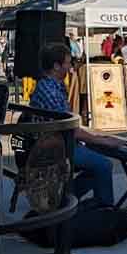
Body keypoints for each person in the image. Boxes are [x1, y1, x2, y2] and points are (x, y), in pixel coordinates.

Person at [29, 43, 115, 206]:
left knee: (97, 156)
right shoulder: (50, 91)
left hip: (59, 142)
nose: (71, 66)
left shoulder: (52, 85)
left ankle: (66, 199)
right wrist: (105, 140)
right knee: (104, 165)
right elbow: (71, 131)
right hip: (57, 148)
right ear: (56, 66)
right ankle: (103, 208)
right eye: (68, 62)